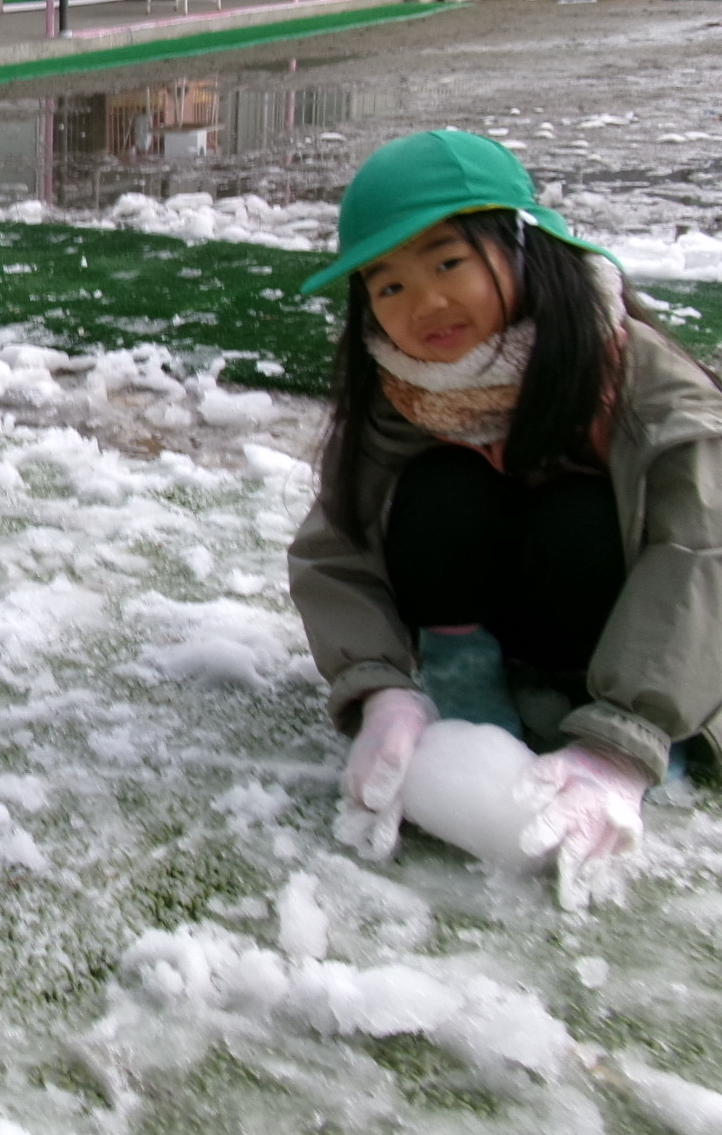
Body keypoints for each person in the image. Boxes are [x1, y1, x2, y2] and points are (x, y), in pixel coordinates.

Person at [287, 129, 722, 907]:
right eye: (387, 286)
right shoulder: (405, 389)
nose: (423, 304)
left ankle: (607, 724)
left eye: (448, 262)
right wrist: (380, 688)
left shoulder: (646, 383)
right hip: (495, 624)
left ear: (525, 247)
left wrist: (630, 741)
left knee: (577, 514)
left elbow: (700, 557)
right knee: (443, 491)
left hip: (632, 642)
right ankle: (466, 685)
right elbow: (336, 548)